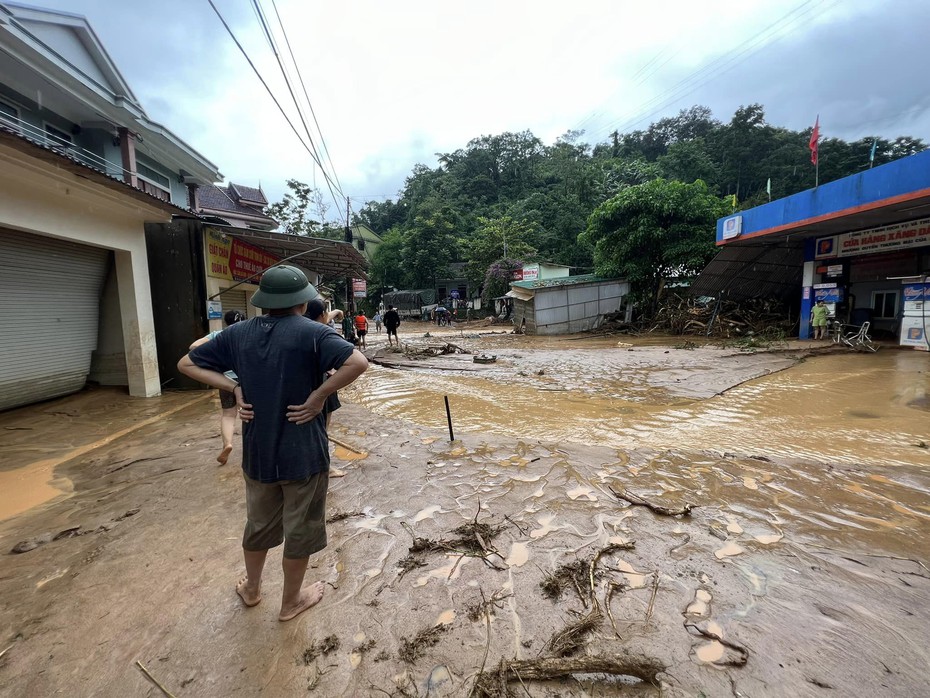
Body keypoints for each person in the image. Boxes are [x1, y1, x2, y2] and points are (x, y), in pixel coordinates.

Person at [178, 265, 368, 622]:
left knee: (259, 524)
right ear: (302, 301)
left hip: (259, 454)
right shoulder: (313, 333)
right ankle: (291, 601)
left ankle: (251, 588)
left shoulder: (238, 334)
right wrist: (318, 397)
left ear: (264, 301)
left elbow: (187, 362)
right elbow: (357, 362)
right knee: (301, 529)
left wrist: (232, 387)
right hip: (304, 455)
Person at [189, 309, 246, 465]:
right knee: (251, 414)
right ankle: (255, 447)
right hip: (247, 380)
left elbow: (193, 346)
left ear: (226, 322)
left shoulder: (219, 335)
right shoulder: (248, 334)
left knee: (228, 414)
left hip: (226, 381)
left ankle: (227, 444)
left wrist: (214, 358)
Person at [305, 299, 348, 479]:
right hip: (323, 385)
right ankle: (325, 468)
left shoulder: (300, 327)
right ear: (322, 315)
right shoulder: (322, 334)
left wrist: (337, 311)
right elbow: (356, 363)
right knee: (323, 429)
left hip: (303, 386)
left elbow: (323, 316)